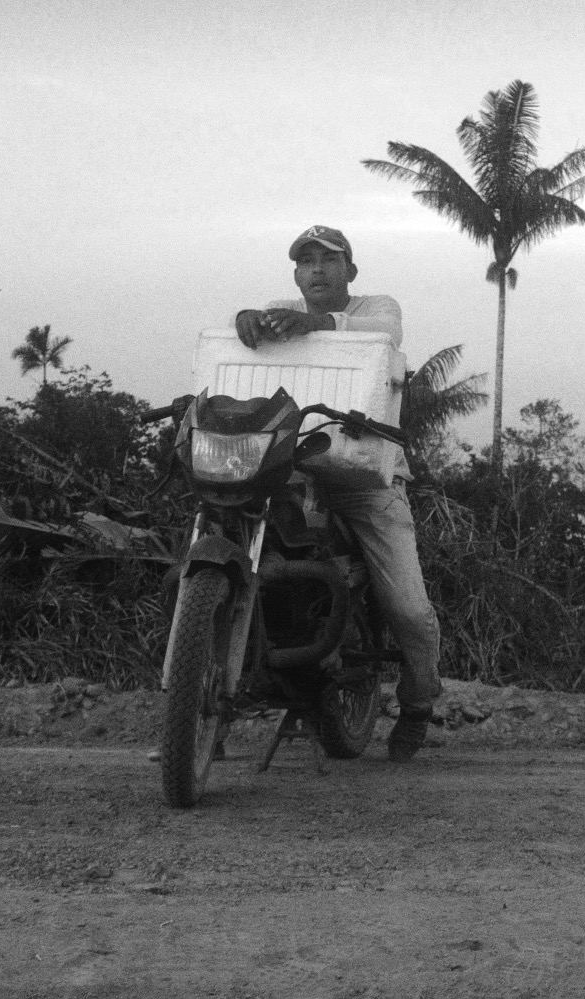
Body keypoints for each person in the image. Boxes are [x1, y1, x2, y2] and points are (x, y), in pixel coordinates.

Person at [233, 225, 442, 761]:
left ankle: (418, 701)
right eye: (306, 262)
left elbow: (385, 333)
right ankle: (198, 703)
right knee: (231, 549)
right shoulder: (282, 311)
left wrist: (316, 324)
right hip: (287, 473)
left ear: (350, 270)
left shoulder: (378, 308)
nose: (317, 270)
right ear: (295, 275)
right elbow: (252, 338)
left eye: (328, 260)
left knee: (408, 609)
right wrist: (244, 320)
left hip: (364, 480)